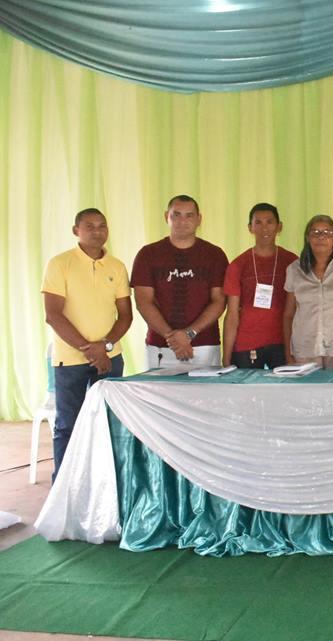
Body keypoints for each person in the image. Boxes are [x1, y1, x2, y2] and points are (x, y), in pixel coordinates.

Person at [41, 208, 132, 479]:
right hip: (70, 361)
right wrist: (91, 351)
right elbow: (53, 315)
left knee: (109, 424)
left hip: (110, 359)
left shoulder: (116, 266)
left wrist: (104, 348)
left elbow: (125, 316)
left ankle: (105, 484)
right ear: (75, 231)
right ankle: (65, 487)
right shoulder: (60, 264)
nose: (97, 231)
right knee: (68, 425)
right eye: (89, 226)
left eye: (102, 225)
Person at [131, 195, 228, 368]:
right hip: (161, 348)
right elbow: (143, 301)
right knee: (157, 396)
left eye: (189, 215)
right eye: (176, 214)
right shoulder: (148, 254)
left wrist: (189, 334)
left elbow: (219, 301)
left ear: (199, 219)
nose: (182, 221)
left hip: (205, 347)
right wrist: (174, 339)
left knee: (207, 396)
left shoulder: (215, 255)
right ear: (166, 216)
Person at [222, 203, 298, 369]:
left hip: (283, 343)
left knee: (284, 394)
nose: (264, 228)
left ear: (279, 227)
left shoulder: (292, 262)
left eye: (269, 222)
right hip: (247, 343)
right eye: (258, 223)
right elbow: (232, 314)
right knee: (246, 394)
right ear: (250, 227)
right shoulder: (238, 265)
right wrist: (226, 359)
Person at [283, 215, 333, 369]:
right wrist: (288, 353)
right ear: (307, 237)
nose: (321, 237)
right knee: (307, 393)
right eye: (316, 232)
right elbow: (288, 315)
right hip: (304, 350)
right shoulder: (295, 269)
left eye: (327, 232)